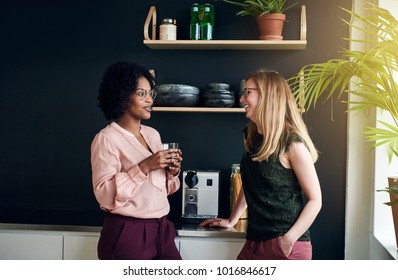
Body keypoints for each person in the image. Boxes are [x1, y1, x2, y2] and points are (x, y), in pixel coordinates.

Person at [200, 69, 322, 260]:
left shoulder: (292, 143)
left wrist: (289, 239)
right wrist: (232, 218)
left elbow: (316, 200)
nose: (242, 99)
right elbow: (251, 182)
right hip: (254, 242)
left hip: (286, 246)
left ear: (268, 96)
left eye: (248, 92)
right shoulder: (250, 135)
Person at [90, 61, 182, 260]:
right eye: (142, 94)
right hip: (127, 233)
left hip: (162, 230)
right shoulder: (106, 138)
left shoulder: (153, 135)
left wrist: (171, 172)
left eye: (151, 94)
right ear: (122, 96)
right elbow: (104, 195)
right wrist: (145, 166)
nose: (149, 100)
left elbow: (157, 190)